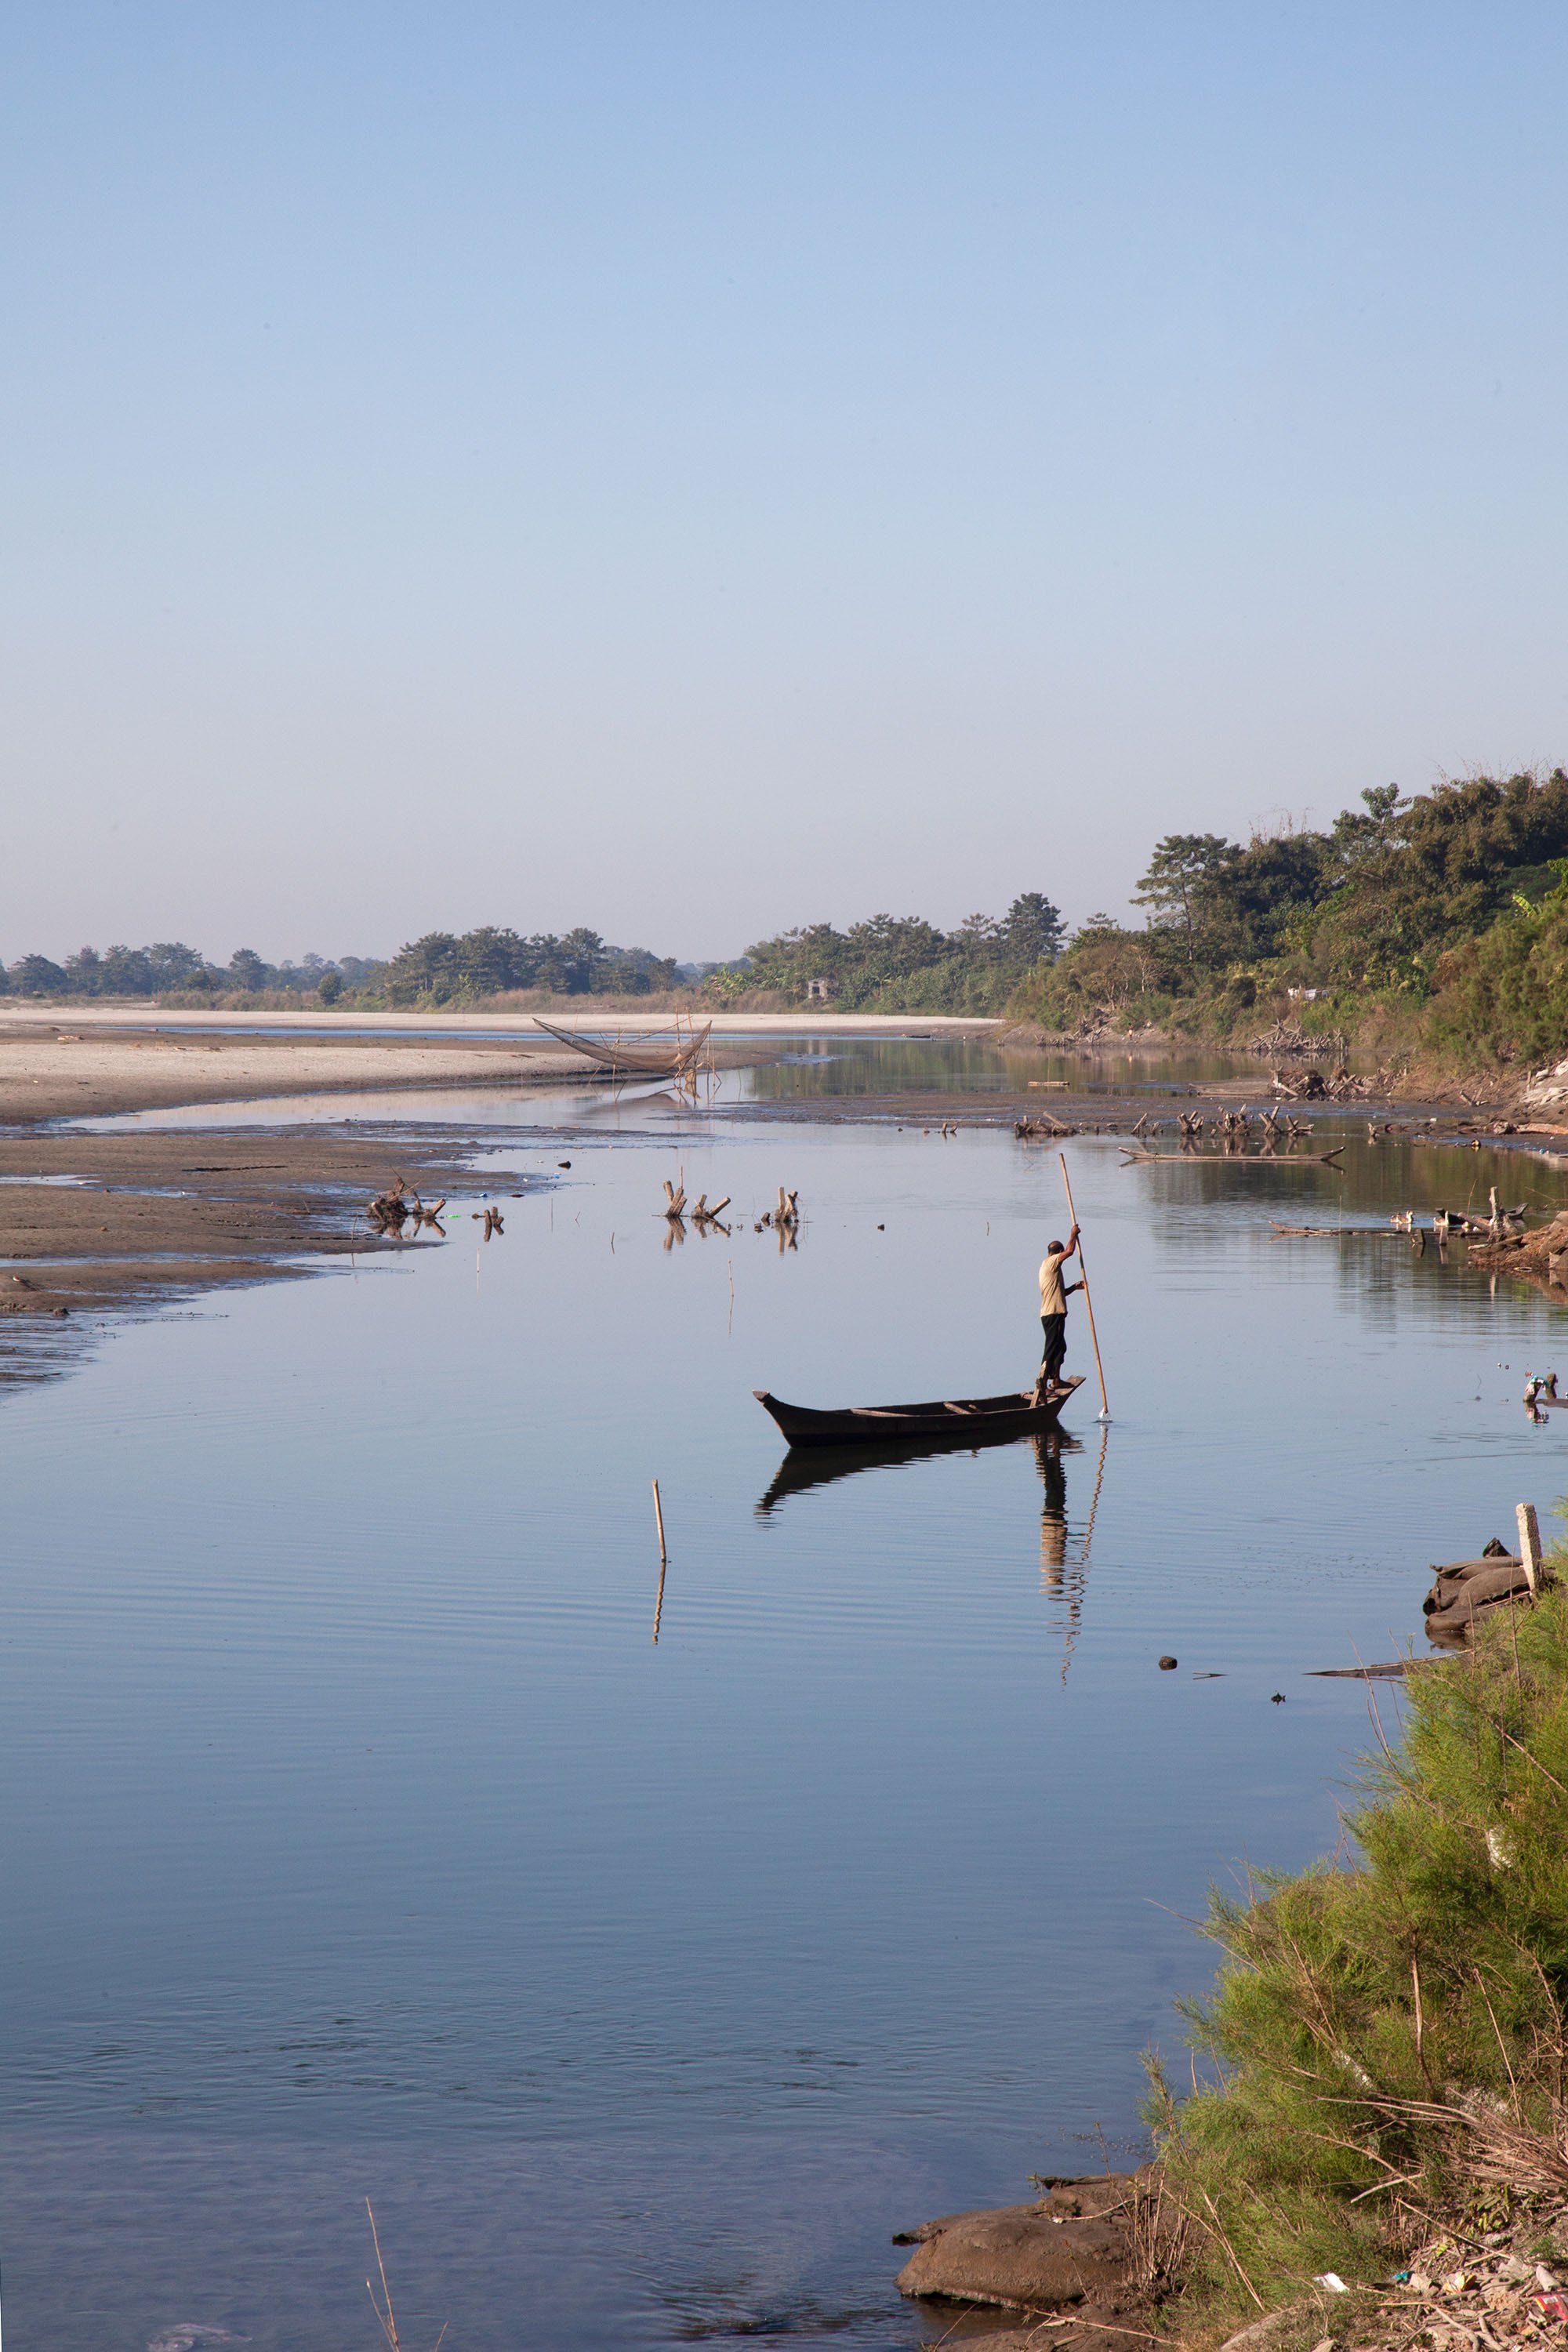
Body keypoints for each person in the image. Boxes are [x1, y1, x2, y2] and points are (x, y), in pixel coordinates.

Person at [1038, 1223, 1082, 1390]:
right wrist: (1073, 1235)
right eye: (1060, 1253)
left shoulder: (1049, 1268)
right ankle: (1042, 1382)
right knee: (1051, 1348)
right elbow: (1070, 1252)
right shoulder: (1051, 1262)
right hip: (1053, 1313)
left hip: (1053, 1312)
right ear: (1057, 1253)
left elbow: (1059, 1292)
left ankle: (1056, 1380)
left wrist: (1074, 1288)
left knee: (1060, 1347)